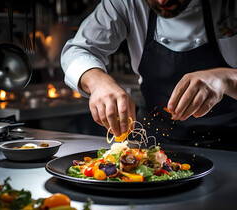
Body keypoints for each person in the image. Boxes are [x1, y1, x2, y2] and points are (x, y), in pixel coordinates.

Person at [61, 0, 237, 150]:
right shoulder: (125, 3)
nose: (162, 2)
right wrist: (98, 82)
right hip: (152, 147)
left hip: (232, 147)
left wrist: (226, 79)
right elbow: (78, 50)